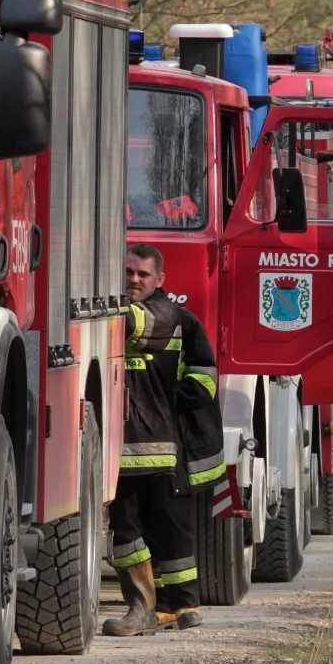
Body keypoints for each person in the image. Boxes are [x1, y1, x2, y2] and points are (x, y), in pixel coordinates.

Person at [104, 244, 225, 636]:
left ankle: (183, 605)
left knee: (171, 529)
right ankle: (146, 608)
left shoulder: (172, 316)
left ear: (160, 280)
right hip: (120, 451)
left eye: (142, 274)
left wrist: (166, 402)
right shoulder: (111, 321)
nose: (134, 280)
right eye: (127, 272)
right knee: (128, 532)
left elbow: (205, 378)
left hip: (163, 448)